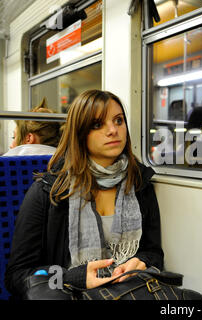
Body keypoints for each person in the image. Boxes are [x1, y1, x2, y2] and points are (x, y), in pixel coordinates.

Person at [5, 90, 163, 298]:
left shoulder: (140, 185)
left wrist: (142, 262)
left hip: (127, 291)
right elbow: (17, 276)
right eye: (97, 125)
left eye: (118, 121)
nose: (113, 130)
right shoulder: (48, 192)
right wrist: (73, 277)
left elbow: (154, 254)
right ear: (79, 134)